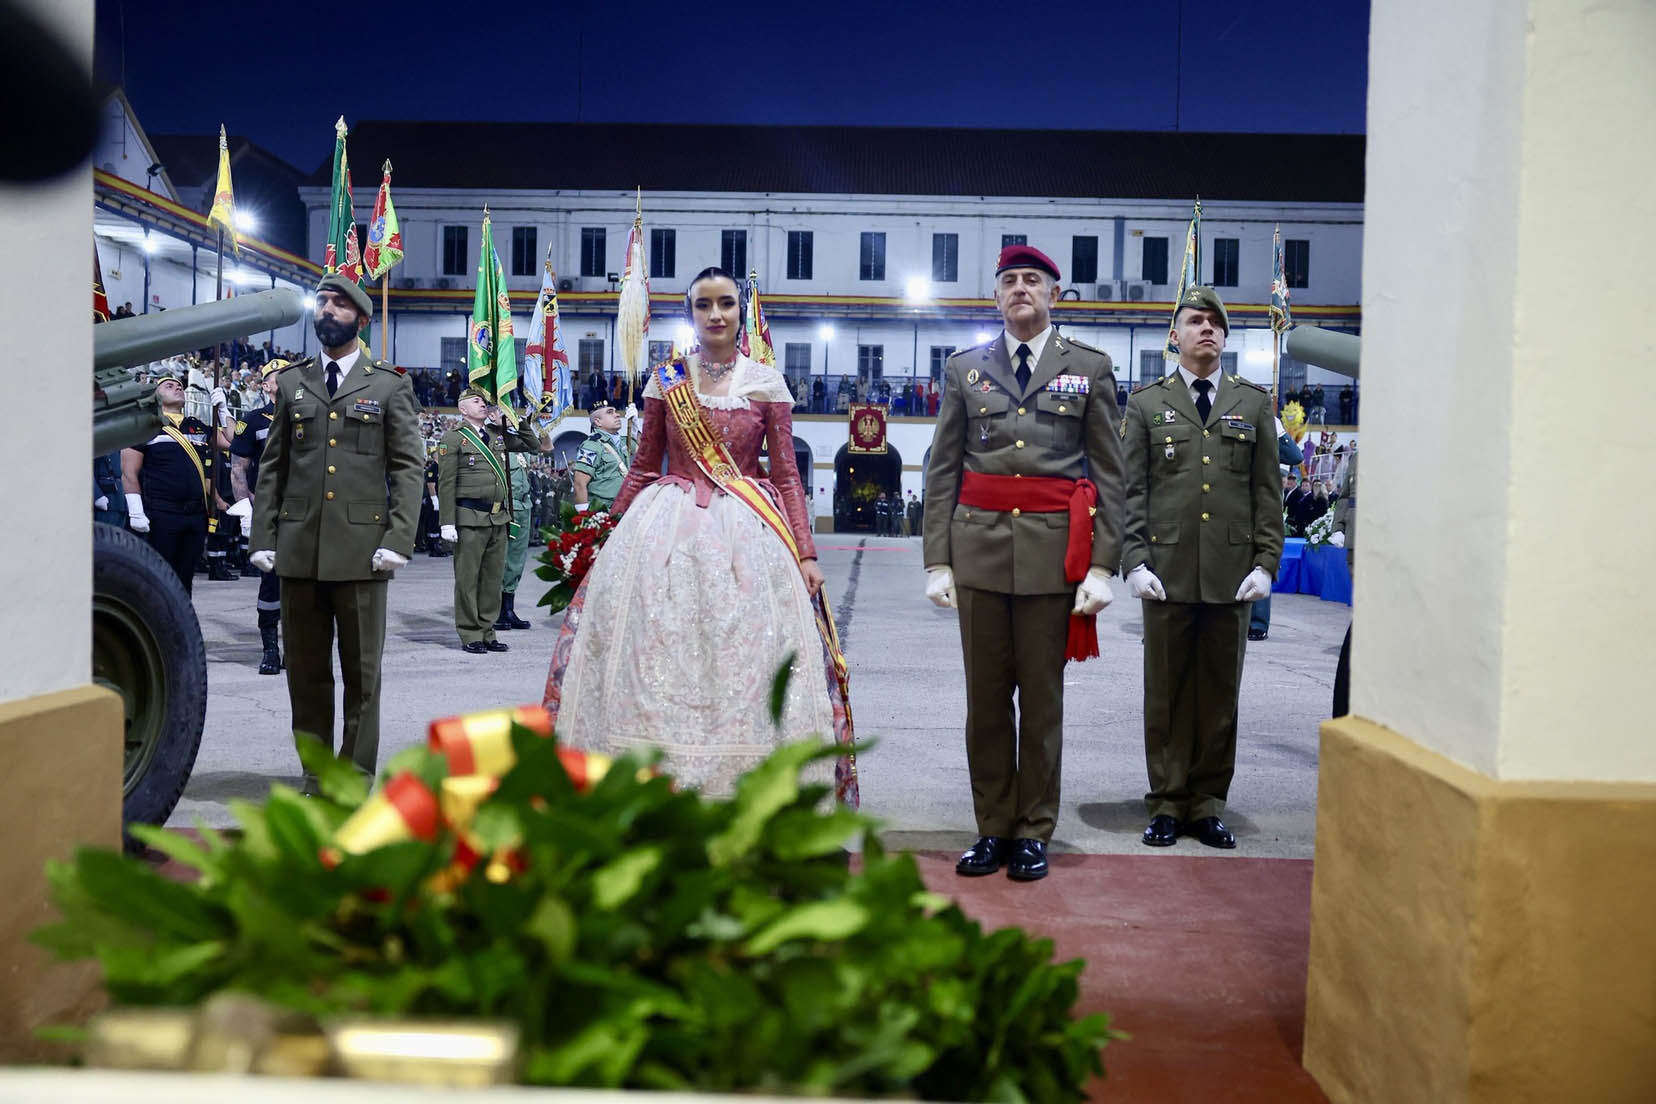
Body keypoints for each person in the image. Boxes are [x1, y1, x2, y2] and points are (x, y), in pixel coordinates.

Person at [544, 266, 856, 802]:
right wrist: (602, 535)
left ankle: (749, 788)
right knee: (653, 646)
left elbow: (785, 474)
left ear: (741, 311)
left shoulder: (765, 382)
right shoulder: (667, 379)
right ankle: (650, 780)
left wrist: (806, 552)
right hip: (663, 527)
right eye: (703, 305)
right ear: (690, 312)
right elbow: (642, 468)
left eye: (726, 304)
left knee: (746, 652)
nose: (715, 314)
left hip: (749, 529)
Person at [922, 244, 1126, 883]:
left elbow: (1112, 479)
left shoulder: (1088, 368)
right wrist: (938, 562)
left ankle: (1033, 830)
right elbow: (943, 469)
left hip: (1050, 561)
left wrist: (1101, 568)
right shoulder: (965, 369)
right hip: (978, 554)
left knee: (1040, 704)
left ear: (1054, 295)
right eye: (1009, 280)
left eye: (1031, 280)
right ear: (995, 296)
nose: (1020, 289)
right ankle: (992, 829)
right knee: (985, 703)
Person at [1120, 286, 1284, 851]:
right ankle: (1166, 802)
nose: (1206, 329)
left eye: (1215, 322)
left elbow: (1269, 494)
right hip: (1165, 574)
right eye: (1195, 321)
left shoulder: (1254, 404)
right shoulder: (1145, 405)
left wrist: (1266, 563)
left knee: (1219, 696)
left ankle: (1208, 802)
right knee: (1164, 694)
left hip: (1231, 576)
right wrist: (1134, 559)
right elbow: (1130, 491)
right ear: (1177, 335)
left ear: (1226, 335)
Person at [248, 274, 424, 786]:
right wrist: (263, 537)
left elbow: (408, 468)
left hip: (362, 551)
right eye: (321, 301)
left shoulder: (389, 384)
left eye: (339, 304)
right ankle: (316, 775)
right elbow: (272, 466)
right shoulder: (291, 382)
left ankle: (353, 779)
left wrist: (397, 539)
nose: (326, 310)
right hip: (299, 549)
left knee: (362, 675)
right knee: (305, 676)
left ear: (361, 319)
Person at [437, 389, 541, 654]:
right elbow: (446, 483)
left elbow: (532, 445)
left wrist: (515, 421)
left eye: (484, 401)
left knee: (492, 580)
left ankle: (487, 631)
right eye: (476, 401)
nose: (483, 404)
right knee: (468, 579)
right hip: (469, 518)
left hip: (498, 517)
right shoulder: (454, 438)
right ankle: (470, 633)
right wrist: (446, 522)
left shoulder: (497, 435)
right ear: (462, 409)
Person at [121, 372, 230, 593]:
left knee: (185, 580)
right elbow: (128, 471)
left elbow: (231, 441)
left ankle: (180, 625)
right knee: (158, 579)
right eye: (169, 386)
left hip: (195, 515)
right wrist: (135, 509)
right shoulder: (146, 426)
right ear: (156, 396)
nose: (177, 388)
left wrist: (224, 411)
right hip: (161, 514)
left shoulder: (196, 426)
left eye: (179, 386)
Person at [228, 357, 296, 674]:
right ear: (266, 385)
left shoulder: (312, 416)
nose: (285, 379)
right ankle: (270, 649)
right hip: (269, 510)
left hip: (306, 511)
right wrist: (244, 506)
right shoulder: (253, 421)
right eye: (277, 375)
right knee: (271, 580)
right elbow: (239, 467)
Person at [1248, 419, 1306, 641]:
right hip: (1235, 502)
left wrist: (1277, 430)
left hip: (1263, 504)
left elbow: (1295, 456)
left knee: (1263, 559)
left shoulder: (1271, 429)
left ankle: (1258, 623)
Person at [569, 403, 634, 512]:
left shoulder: (623, 441)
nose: (617, 415)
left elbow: (645, 449)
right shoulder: (592, 445)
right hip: (602, 509)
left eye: (615, 411)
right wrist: (583, 515)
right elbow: (580, 483)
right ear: (598, 422)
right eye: (610, 412)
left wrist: (636, 427)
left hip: (623, 507)